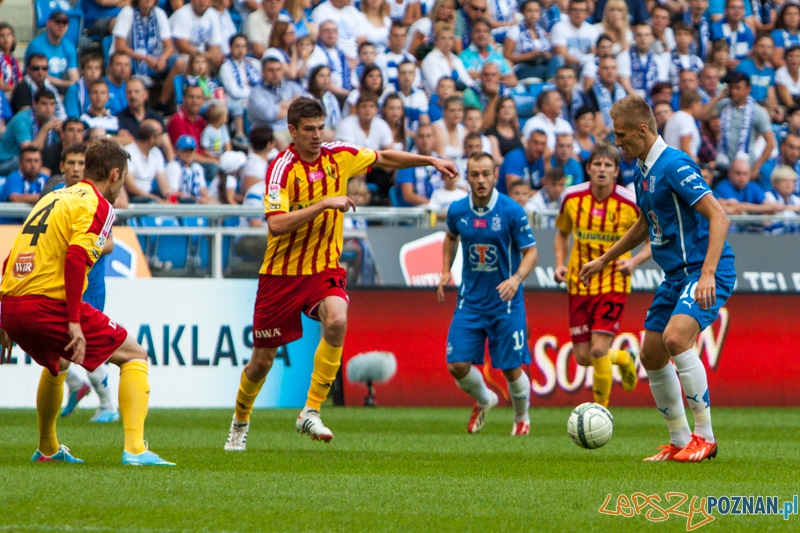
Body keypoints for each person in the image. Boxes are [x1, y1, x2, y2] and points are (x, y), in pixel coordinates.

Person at [223, 97, 458, 449]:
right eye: (309, 130)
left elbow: (383, 158)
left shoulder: (339, 154)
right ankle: (240, 421)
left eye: (320, 127)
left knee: (336, 320)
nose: (317, 136)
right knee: (261, 361)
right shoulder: (281, 170)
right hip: (281, 274)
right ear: (292, 132)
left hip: (324, 268)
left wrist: (430, 160)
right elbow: (276, 225)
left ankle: (311, 411)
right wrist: (323, 203)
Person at [579, 95, 736, 462]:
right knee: (651, 354)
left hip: (703, 269)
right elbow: (644, 224)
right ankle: (680, 440)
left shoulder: (675, 165)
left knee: (676, 337)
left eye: (621, 135)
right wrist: (605, 258)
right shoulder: (643, 170)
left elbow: (720, 217)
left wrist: (708, 273)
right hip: (675, 275)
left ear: (643, 129)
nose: (618, 143)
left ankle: (706, 437)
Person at [0, 138, 173, 466]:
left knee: (59, 364)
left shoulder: (53, 196)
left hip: (13, 303)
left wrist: (1, 316)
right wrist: (74, 322)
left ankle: (48, 449)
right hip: (46, 304)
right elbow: (77, 256)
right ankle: (135, 449)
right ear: (114, 174)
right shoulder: (98, 204)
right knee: (134, 355)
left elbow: (13, 254)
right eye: (122, 180)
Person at [436, 151, 538, 436]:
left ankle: (521, 417)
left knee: (511, 369)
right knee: (456, 364)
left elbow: (531, 252)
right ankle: (485, 399)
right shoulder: (458, 210)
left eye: (486, 174)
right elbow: (450, 237)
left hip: (505, 304)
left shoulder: (511, 211)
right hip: (470, 303)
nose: (480, 180)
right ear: (466, 177)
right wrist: (445, 269)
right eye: (474, 174)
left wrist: (516, 279)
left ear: (495, 175)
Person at [554, 142, 645, 407]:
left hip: (613, 281)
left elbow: (654, 234)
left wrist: (636, 261)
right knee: (583, 357)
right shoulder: (572, 198)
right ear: (588, 168)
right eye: (597, 164)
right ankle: (624, 358)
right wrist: (560, 264)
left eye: (608, 165)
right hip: (579, 283)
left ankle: (600, 413)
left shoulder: (630, 203)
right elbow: (561, 234)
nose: (602, 170)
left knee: (597, 349)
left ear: (617, 171)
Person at [54, 144, 119, 423]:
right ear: (62, 167)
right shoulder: (55, 196)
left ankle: (107, 404)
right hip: (58, 282)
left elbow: (110, 243)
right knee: (57, 348)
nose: (76, 168)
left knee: (79, 348)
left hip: (88, 283)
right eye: (71, 163)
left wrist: (79, 247)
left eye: (81, 163)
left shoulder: (98, 201)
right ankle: (77, 386)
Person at [705, 72, 774, 178]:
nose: (733, 91)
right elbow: (702, 116)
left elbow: (770, 142)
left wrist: (756, 167)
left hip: (744, 169)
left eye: (738, 88)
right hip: (723, 165)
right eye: (731, 88)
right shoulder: (723, 105)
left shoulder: (758, 111)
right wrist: (719, 97)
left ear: (748, 89)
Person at [110, 0, 175, 83]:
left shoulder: (159, 13)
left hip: (153, 57)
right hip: (130, 56)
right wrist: (146, 59)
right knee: (123, 64)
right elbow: (119, 46)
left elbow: (169, 47)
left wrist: (162, 59)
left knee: (180, 63)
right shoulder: (127, 12)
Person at [0, 90, 61, 177]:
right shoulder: (21, 120)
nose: (48, 108)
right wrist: (45, 129)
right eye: (44, 104)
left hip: (28, 161)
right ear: (35, 104)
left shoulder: (50, 121)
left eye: (52, 104)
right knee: (30, 161)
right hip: (6, 162)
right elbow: (28, 151)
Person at [503, 0, 558, 82]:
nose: (533, 14)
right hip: (523, 67)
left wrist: (546, 55)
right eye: (529, 10)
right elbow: (507, 56)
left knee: (557, 59)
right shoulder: (515, 30)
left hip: (541, 65)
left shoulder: (541, 31)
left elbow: (548, 52)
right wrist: (529, 55)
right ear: (523, 12)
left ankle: (550, 80)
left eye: (536, 11)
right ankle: (550, 81)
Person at [24, 10, 78, 91]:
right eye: (57, 22)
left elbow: (73, 74)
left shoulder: (69, 46)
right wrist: (66, 84)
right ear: (48, 23)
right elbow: (39, 75)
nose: (61, 26)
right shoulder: (36, 45)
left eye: (64, 23)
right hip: (38, 86)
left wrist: (75, 85)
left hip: (61, 87)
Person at [617, 24, 669, 102]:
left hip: (653, 102)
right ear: (634, 37)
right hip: (630, 101)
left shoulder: (658, 60)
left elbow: (661, 85)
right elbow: (623, 81)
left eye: (646, 35)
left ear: (652, 38)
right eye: (639, 35)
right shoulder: (624, 56)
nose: (643, 38)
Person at [459, 18, 517, 87]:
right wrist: (499, 76)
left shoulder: (497, 55)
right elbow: (473, 76)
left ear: (489, 35)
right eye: (478, 31)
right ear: (472, 34)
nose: (481, 35)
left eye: (485, 31)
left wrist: (490, 80)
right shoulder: (464, 56)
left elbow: (513, 80)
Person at [395, 123, 443, 205]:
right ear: (416, 139)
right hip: (415, 212)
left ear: (434, 139)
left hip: (439, 208)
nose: (425, 139)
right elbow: (408, 196)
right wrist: (433, 206)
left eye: (428, 136)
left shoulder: (441, 161)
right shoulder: (407, 161)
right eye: (421, 136)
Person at [714, 157, 779, 217]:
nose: (742, 177)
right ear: (730, 173)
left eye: (745, 174)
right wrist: (764, 208)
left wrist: (767, 207)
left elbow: (769, 204)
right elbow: (735, 206)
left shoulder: (752, 185)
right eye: (738, 173)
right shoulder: (723, 186)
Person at [420, 22, 476, 93]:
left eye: (450, 38)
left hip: (458, 96)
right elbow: (436, 86)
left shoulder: (455, 59)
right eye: (443, 38)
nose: (447, 42)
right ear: (435, 40)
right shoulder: (430, 60)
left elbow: (467, 80)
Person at [124, 119, 170, 203]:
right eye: (160, 134)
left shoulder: (156, 152)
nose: (162, 137)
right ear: (152, 138)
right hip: (134, 197)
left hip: (151, 195)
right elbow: (130, 187)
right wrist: (156, 199)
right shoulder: (128, 152)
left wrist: (169, 196)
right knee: (152, 203)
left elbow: (162, 180)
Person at [305, 21, 353, 99]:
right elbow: (323, 79)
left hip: (342, 93)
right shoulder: (316, 51)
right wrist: (349, 94)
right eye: (326, 30)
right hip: (326, 94)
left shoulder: (340, 52)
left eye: (333, 30)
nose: (330, 33)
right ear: (319, 33)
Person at [11, 54, 67, 120]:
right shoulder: (22, 88)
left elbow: (61, 113)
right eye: (36, 68)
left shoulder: (51, 87)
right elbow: (27, 117)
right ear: (28, 69)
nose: (40, 72)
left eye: (44, 68)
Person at [0, 147, 48, 224]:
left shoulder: (45, 178)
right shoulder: (14, 177)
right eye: (29, 161)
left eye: (36, 161)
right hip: (9, 226)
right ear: (20, 164)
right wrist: (46, 198)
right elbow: (15, 198)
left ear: (41, 163)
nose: (33, 165)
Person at [587, 56, 627, 140]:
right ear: (598, 71)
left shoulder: (622, 90)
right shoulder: (592, 92)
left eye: (613, 68)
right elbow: (596, 120)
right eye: (605, 68)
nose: (610, 72)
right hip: (602, 134)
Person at [166, 135, 214, 203]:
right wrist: (198, 200)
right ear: (177, 151)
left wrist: (209, 199)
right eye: (185, 150)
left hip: (196, 203)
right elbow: (174, 192)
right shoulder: (173, 166)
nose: (188, 154)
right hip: (181, 204)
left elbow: (203, 190)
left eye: (191, 150)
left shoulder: (197, 167)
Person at [498, 128, 547, 194]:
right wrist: (542, 196)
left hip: (531, 202)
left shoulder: (543, 159)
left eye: (542, 144)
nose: (539, 147)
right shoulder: (514, 157)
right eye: (535, 143)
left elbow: (549, 187)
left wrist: (547, 162)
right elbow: (516, 191)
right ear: (528, 142)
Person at [550, 0, 597, 68]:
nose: (578, 13)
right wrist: (583, 61)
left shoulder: (592, 30)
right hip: (566, 67)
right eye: (575, 10)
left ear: (587, 13)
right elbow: (561, 55)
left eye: (581, 10)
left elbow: (595, 53)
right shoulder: (559, 28)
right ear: (568, 11)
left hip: (587, 67)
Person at [389, 60, 429, 134]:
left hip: (416, 137)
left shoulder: (420, 94)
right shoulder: (389, 92)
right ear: (398, 75)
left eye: (410, 72)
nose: (407, 76)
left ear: (414, 75)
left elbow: (425, 122)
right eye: (403, 73)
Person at [711, 0, 754, 65]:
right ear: (725, 10)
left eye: (740, 8)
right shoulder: (716, 28)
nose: (737, 11)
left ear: (744, 12)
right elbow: (719, 56)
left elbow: (750, 54)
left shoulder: (747, 30)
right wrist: (740, 65)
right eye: (733, 7)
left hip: (741, 71)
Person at [663, 89, 703, 160]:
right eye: (699, 105)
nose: (700, 109)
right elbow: (685, 146)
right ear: (693, 105)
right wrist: (696, 164)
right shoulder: (686, 118)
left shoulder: (674, 117)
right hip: (682, 165)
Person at [64, 53, 104, 120]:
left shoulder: (104, 89)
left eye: (96, 68)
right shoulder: (74, 89)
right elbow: (72, 117)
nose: (93, 72)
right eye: (89, 68)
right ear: (82, 70)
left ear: (100, 71)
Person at [669, 22, 705, 92]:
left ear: (691, 38)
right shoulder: (666, 57)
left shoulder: (697, 61)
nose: (682, 38)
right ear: (674, 37)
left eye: (686, 34)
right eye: (679, 34)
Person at [432, 95, 466, 160]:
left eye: (460, 110)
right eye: (452, 110)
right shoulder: (436, 128)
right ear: (445, 111)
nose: (456, 113)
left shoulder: (464, 131)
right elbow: (440, 156)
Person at [771, 1, 800, 68]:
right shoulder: (777, 34)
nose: (792, 17)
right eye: (788, 14)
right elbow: (776, 60)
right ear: (782, 17)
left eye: (796, 14)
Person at [0, 22, 22, 96]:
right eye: (2, 35)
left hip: (14, 94)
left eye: (8, 35)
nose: (6, 39)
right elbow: (2, 86)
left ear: (13, 38)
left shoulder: (14, 59)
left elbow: (20, 80)